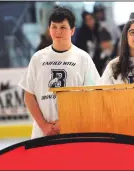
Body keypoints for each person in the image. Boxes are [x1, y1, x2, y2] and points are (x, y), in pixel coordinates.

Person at [18, 6, 100, 139]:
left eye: (63, 27)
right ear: (49, 29)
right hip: (42, 134)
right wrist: (44, 125)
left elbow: (93, 97)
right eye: (54, 27)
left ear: (72, 30)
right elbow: (29, 96)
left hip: (74, 133)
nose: (58, 31)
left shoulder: (83, 58)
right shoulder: (38, 58)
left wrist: (67, 122)